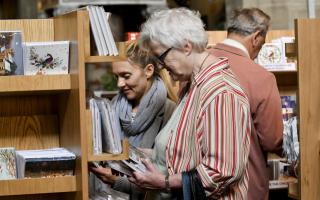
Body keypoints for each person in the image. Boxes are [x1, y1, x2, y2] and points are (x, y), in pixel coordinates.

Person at [128, 8, 252, 199]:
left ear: (186, 47)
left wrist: (164, 182)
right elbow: (188, 151)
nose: (161, 66)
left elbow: (220, 171)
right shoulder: (192, 85)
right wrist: (149, 156)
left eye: (161, 57)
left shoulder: (220, 92)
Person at [208, 8, 283, 200]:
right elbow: (272, 140)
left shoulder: (197, 66)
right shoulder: (261, 77)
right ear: (257, 37)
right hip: (245, 186)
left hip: (200, 185)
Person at [90, 41, 176, 200]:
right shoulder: (111, 106)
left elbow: (168, 179)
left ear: (149, 70)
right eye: (116, 76)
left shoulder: (170, 112)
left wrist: (117, 181)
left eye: (126, 76)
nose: (119, 83)